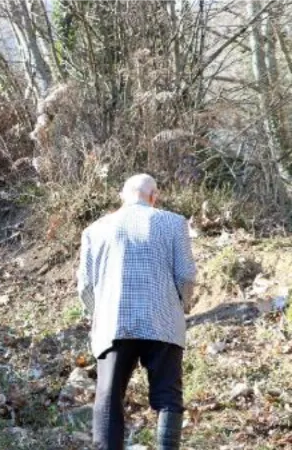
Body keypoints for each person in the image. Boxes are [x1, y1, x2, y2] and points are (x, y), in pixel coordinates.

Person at [77, 174, 197, 450]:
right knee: (168, 397)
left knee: (108, 397)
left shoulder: (95, 230)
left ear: (122, 196)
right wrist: (181, 306)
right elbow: (187, 277)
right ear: (154, 196)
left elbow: (85, 286)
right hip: (163, 321)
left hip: (114, 323)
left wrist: (98, 314)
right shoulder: (174, 223)